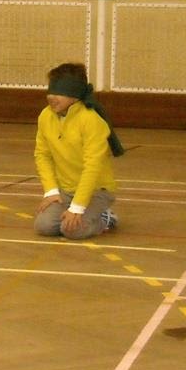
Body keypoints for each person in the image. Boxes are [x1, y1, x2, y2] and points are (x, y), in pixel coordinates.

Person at [33, 62, 124, 239]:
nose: (52, 97)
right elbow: (42, 154)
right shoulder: (45, 116)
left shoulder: (91, 121)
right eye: (51, 91)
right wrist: (51, 191)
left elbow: (92, 166)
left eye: (59, 93)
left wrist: (77, 207)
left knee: (72, 230)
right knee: (43, 226)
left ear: (74, 95)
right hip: (66, 190)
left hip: (97, 190)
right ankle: (75, 212)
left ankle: (105, 217)